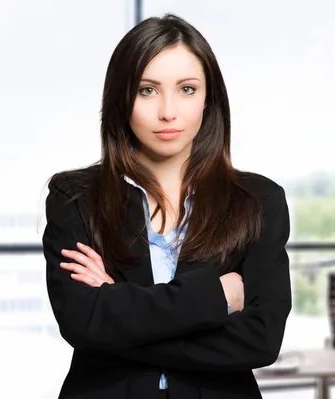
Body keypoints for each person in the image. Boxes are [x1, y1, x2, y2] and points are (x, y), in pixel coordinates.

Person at [42, 13, 291, 399]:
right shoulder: (74, 197)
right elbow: (80, 321)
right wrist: (213, 299)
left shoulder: (258, 202)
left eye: (187, 89)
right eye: (147, 90)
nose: (168, 112)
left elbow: (261, 340)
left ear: (209, 99)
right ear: (121, 98)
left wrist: (116, 313)